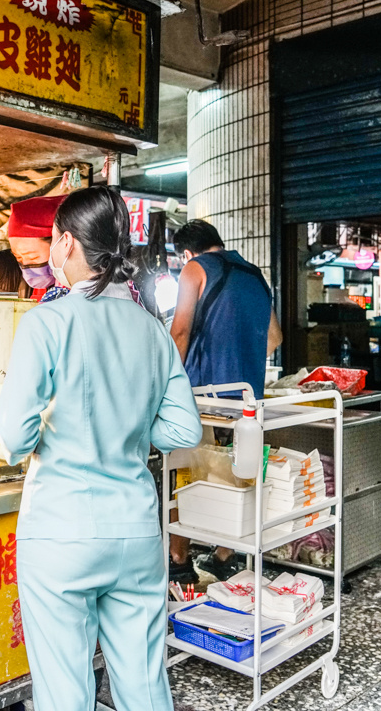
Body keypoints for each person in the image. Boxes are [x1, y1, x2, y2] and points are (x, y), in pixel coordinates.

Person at [0, 187, 202, 711]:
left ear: (66, 244)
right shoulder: (151, 328)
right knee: (145, 685)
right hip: (135, 529)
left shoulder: (47, 321)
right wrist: (129, 429)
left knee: (65, 690)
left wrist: (57, 428)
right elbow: (184, 431)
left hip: (60, 531)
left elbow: (13, 439)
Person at [166, 219, 282, 583]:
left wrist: (164, 383)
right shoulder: (255, 274)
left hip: (203, 396)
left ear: (186, 252)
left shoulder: (194, 268)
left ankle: (179, 560)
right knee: (238, 474)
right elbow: (274, 339)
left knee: (184, 475)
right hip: (247, 402)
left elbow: (180, 330)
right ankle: (223, 555)